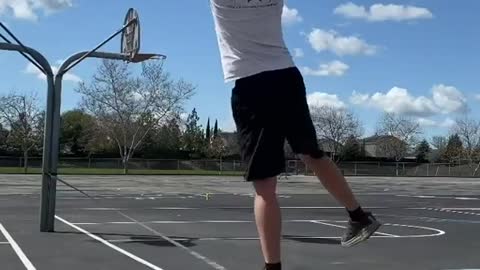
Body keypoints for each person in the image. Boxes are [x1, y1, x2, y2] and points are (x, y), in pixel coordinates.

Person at [209, 1, 381, 269]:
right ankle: (358, 215)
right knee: (312, 153)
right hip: (286, 77)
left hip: (251, 86)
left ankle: (273, 267)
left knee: (265, 188)